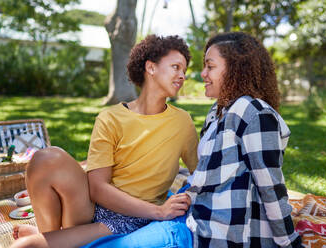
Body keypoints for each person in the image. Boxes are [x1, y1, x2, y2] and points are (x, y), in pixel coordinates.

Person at [83, 31, 302, 248]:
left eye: (210, 66)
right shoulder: (218, 111)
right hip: (188, 219)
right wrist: (184, 195)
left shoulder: (254, 113)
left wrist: (289, 242)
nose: (202, 74)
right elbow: (204, 173)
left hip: (210, 233)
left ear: (236, 68)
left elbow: (270, 187)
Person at [11, 34, 199, 248]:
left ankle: (51, 239)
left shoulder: (182, 122)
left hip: (129, 218)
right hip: (93, 207)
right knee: (45, 158)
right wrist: (160, 211)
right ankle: (51, 235)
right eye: (176, 67)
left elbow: (200, 173)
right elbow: (97, 188)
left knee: (25, 246)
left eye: (184, 70)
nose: (182, 75)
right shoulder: (110, 117)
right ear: (151, 68)